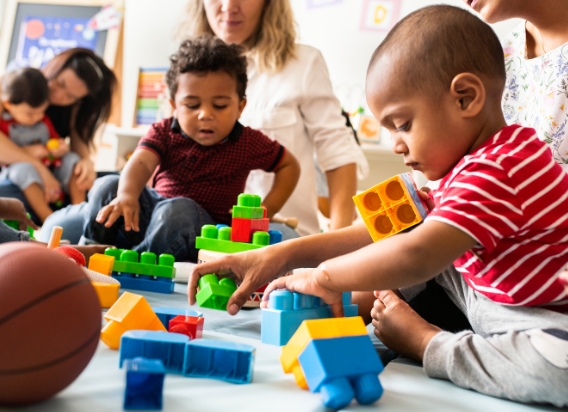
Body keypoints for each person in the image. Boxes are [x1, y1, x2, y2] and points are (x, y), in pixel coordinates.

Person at [189, 6, 568, 406]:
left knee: (556, 372)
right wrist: (281, 254)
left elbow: (418, 253)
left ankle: (426, 342)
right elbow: (387, 229)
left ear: (466, 98)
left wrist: (325, 278)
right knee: (405, 218)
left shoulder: (501, 168)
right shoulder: (474, 161)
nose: (396, 144)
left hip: (534, 313)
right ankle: (363, 322)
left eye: (403, 124)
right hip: (482, 292)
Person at [82, 36, 300, 262]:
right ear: (174, 106)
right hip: (148, 216)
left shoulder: (247, 141)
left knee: (179, 210)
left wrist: (265, 212)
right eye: (192, 105)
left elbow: (288, 165)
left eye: (220, 105)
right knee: (107, 184)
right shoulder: (165, 131)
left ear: (240, 107)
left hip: (199, 229)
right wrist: (127, 196)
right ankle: (91, 249)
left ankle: (135, 263)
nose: (205, 114)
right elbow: (142, 162)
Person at [178, 0, 368, 236]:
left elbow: (338, 154)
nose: (228, 6)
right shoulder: (185, 72)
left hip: (281, 238)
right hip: (199, 236)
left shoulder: (303, 63)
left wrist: (337, 245)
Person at [0, 48, 116, 239]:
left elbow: (78, 141)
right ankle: (50, 219)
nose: (59, 96)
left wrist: (85, 162)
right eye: (59, 83)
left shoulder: (72, 109)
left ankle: (79, 213)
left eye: (70, 97)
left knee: (108, 181)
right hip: (16, 172)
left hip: (51, 169)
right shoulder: (18, 85)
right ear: (54, 66)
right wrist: (38, 166)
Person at [0, 68, 84, 222]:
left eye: (41, 112)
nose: (36, 118)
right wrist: (25, 151)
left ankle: (80, 210)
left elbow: (56, 141)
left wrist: (60, 148)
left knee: (73, 159)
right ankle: (48, 218)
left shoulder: (43, 121)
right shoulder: (4, 123)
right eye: (30, 114)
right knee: (23, 169)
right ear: (8, 104)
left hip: (49, 165)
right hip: (18, 170)